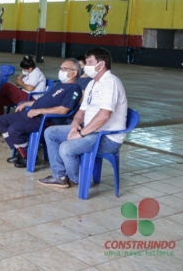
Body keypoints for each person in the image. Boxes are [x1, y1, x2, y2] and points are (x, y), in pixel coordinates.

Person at [38, 48, 128, 189]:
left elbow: (104, 115)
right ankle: (60, 176)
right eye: (86, 62)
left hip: (107, 137)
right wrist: (75, 124)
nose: (86, 66)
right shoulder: (92, 83)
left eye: (90, 62)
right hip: (91, 130)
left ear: (101, 64)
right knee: (50, 132)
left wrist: (80, 134)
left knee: (66, 147)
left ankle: (79, 180)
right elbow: (82, 110)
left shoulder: (111, 83)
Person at [0, 59, 82, 168]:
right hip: (34, 114)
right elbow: (44, 101)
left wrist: (39, 111)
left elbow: (64, 110)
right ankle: (20, 151)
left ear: (74, 73)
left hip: (45, 120)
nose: (61, 71)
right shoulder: (60, 85)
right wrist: (26, 104)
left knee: (14, 129)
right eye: (61, 68)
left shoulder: (74, 88)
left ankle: (27, 156)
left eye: (65, 69)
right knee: (2, 120)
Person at [0, 55, 46, 125]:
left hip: (31, 99)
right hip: (24, 95)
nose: (23, 71)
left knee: (7, 86)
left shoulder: (36, 73)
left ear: (30, 68)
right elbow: (17, 82)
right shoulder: (29, 73)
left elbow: (30, 88)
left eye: (24, 69)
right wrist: (22, 74)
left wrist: (21, 83)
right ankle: (0, 123)